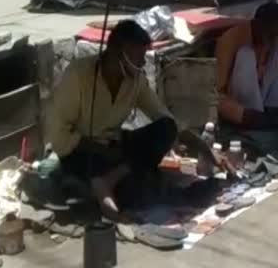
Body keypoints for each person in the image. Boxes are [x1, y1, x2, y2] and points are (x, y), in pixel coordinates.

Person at [47, 20, 226, 221]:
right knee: (138, 192)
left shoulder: (135, 80)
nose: (142, 63)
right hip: (82, 151)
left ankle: (109, 180)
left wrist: (204, 148)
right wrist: (103, 150)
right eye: (139, 56)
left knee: (165, 129)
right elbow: (59, 134)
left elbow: (165, 117)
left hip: (114, 148)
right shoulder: (79, 74)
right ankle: (107, 183)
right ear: (119, 52)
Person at [216, 1, 278, 128]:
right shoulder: (230, 40)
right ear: (257, 24)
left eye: (276, 35)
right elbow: (216, 94)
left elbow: (268, 80)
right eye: (270, 34)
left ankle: (270, 112)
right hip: (239, 105)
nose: (273, 40)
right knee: (246, 54)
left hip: (262, 100)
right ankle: (258, 117)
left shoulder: (269, 42)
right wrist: (241, 115)